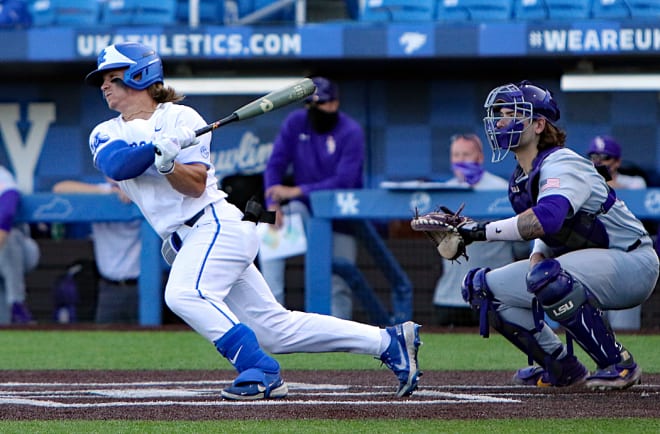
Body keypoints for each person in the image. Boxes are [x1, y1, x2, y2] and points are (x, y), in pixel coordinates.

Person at [84, 42, 421, 400]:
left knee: (184, 293)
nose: (104, 86)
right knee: (276, 330)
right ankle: (387, 341)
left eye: (112, 78)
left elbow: (195, 185)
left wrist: (170, 164)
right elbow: (116, 165)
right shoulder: (105, 131)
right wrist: (156, 150)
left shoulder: (183, 120)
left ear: (140, 75)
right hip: (192, 240)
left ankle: (259, 369)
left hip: (215, 226)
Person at [455, 80, 657, 390]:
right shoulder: (521, 178)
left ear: (538, 124)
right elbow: (549, 226)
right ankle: (562, 368)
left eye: (512, 113)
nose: (501, 121)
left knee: (548, 277)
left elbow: (548, 217)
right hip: (592, 260)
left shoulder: (561, 162)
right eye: (499, 114)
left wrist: (480, 231)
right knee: (481, 288)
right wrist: (538, 252)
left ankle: (618, 364)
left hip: (632, 261)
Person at [259, 76, 364, 319]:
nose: (315, 109)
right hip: (302, 213)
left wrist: (299, 190)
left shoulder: (351, 131)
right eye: (310, 104)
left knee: (337, 284)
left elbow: (345, 181)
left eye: (322, 103)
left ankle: (339, 336)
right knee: (270, 227)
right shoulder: (297, 122)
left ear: (334, 104)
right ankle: (269, 317)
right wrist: (272, 204)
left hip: (339, 219)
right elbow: (274, 165)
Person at [433, 133, 527, 327]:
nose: (460, 160)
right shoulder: (444, 193)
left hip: (494, 293)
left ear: (479, 157)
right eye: (456, 155)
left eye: (466, 155)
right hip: (450, 297)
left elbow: (522, 244)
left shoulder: (502, 190)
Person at [52, 178, 141, 324]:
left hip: (143, 286)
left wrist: (133, 191)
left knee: (147, 339)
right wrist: (105, 192)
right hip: (109, 287)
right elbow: (59, 188)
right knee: (104, 339)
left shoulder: (145, 190)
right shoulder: (102, 190)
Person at [586, 135, 648, 331]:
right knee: (594, 328)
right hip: (594, 257)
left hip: (626, 256)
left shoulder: (635, 182)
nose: (598, 162)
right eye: (594, 157)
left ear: (617, 161)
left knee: (624, 329)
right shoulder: (582, 181)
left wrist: (599, 183)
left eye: (605, 158)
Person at [0, 164, 40, 324]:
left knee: (10, 237)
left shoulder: (2, 175)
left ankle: (17, 303)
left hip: (22, 253)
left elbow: (7, 212)